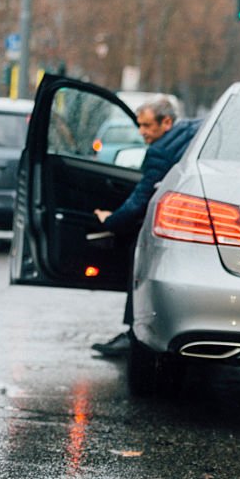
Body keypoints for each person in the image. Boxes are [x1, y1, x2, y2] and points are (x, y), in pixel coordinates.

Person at [90, 97, 201, 357]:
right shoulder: (193, 133)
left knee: (137, 261)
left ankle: (134, 334)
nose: (141, 132)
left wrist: (110, 220)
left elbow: (138, 203)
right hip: (193, 227)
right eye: (140, 125)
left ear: (167, 122)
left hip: (168, 228)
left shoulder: (160, 151)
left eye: (147, 126)